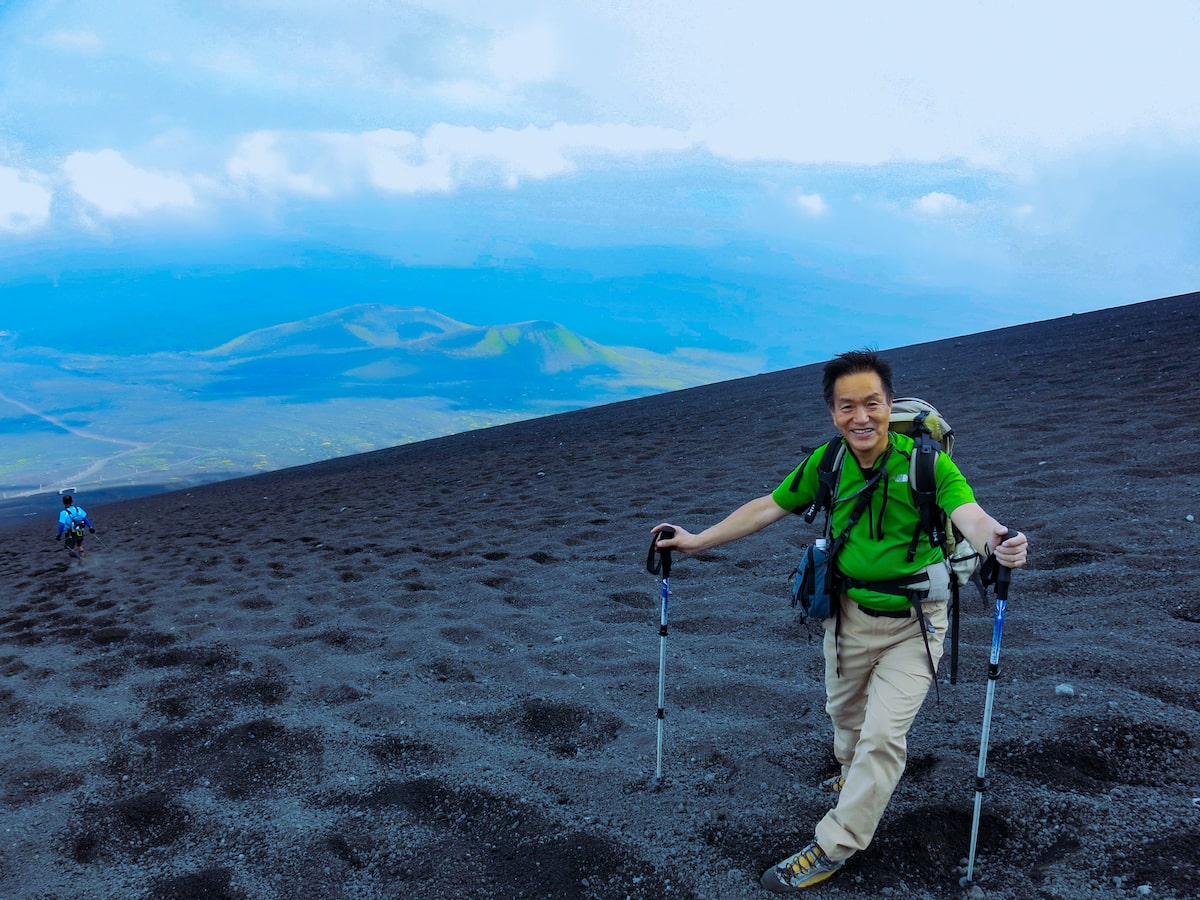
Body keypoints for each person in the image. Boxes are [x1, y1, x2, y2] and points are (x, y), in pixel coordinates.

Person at [652, 349, 1027, 894]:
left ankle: (834, 845)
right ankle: (851, 778)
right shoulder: (828, 463)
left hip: (916, 625)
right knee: (845, 717)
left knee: (882, 737)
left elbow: (970, 515)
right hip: (847, 616)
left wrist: (998, 541)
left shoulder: (928, 464)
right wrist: (696, 542)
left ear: (889, 404)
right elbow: (767, 507)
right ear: (833, 412)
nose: (862, 417)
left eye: (872, 404)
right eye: (848, 406)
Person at [56, 494, 95, 563]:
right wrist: (90, 527)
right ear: (72, 501)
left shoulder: (63, 513)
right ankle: (82, 557)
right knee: (79, 545)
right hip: (80, 531)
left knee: (69, 549)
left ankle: (81, 560)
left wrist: (59, 535)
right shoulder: (78, 509)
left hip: (70, 533)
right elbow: (85, 519)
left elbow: (62, 525)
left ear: (63, 502)